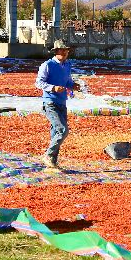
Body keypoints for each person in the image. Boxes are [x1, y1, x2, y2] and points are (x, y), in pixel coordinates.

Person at [35, 39, 81, 169]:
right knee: (62, 130)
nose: (65, 52)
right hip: (50, 102)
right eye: (63, 50)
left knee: (56, 132)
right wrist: (53, 88)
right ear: (56, 51)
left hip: (62, 102)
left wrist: (73, 86)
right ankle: (48, 155)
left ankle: (52, 161)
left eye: (67, 50)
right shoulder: (47, 65)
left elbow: (67, 82)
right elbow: (39, 83)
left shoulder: (67, 65)